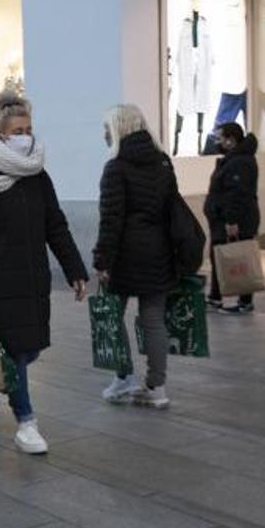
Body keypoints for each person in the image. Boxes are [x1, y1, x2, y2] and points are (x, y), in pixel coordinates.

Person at [0, 91, 88, 455]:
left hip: (31, 280)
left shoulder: (37, 176)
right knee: (15, 352)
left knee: (27, 352)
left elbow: (55, 226)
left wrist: (75, 269)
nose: (25, 136)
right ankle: (26, 422)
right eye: (17, 130)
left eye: (29, 129)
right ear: (1, 135)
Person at [93, 105, 179, 409]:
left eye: (106, 128)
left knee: (112, 317)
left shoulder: (116, 167)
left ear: (118, 129)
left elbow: (111, 220)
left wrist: (102, 261)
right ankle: (157, 387)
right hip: (159, 252)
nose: (103, 134)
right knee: (154, 319)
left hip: (126, 255)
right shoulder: (163, 162)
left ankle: (124, 377)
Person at [203, 122, 260, 314]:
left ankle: (244, 301)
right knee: (220, 257)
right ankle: (215, 298)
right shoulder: (234, 159)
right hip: (224, 220)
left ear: (231, 140)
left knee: (239, 258)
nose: (217, 141)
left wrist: (231, 221)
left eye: (220, 138)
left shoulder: (239, 162)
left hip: (236, 221)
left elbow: (236, 194)